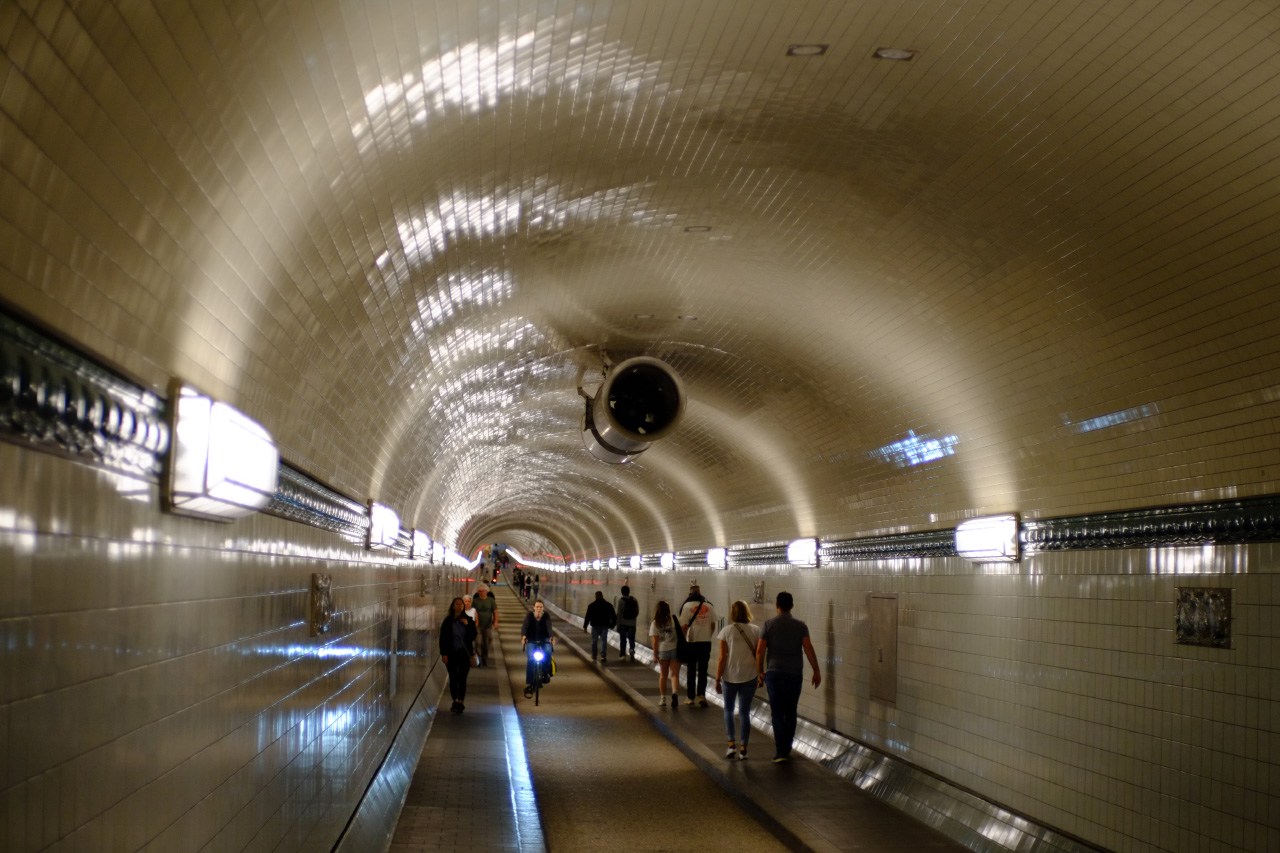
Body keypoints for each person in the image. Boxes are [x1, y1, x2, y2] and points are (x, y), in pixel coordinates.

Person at [755, 591, 821, 763]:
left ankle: (780, 751)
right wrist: (816, 670)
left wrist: (759, 672)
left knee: (776, 712)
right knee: (791, 711)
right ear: (792, 606)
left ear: (777, 605)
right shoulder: (801, 626)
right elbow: (808, 648)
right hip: (794, 674)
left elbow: (760, 649)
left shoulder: (768, 625)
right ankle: (788, 746)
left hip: (774, 673)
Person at [715, 600, 762, 760]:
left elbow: (722, 658)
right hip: (749, 676)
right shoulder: (756, 631)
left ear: (733, 613)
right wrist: (760, 673)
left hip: (729, 676)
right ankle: (743, 749)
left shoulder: (726, 631)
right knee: (744, 712)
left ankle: (731, 745)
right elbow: (758, 654)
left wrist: (717, 678)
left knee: (728, 709)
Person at [676, 583, 718, 707]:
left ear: (690, 593)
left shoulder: (686, 605)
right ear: (700, 593)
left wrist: (684, 640)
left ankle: (690, 697)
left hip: (691, 642)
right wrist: (707, 636)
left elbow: (683, 626)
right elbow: (713, 625)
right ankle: (702, 696)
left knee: (691, 669)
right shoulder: (709, 606)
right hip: (705, 643)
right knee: (703, 669)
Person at [439, 597, 478, 713]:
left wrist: (467, 625)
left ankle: (460, 701)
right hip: (451, 654)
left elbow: (473, 636)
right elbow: (443, 639)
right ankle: (454, 700)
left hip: (464, 654)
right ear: (453, 606)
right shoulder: (448, 621)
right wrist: (444, 654)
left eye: (461, 604)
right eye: (457, 604)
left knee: (462, 678)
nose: (460, 606)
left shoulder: (469, 620)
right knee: (453, 677)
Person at [648, 601, 681, 708]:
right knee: (674, 674)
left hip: (663, 650)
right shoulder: (674, 620)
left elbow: (655, 641)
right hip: (675, 648)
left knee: (663, 675)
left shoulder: (655, 623)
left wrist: (655, 655)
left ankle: (663, 698)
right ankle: (674, 693)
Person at [520, 600, 555, 698]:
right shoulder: (529, 616)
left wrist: (551, 637)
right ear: (533, 608)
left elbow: (549, 627)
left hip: (544, 639)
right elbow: (524, 627)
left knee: (548, 652)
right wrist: (523, 637)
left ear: (543, 608)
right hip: (531, 639)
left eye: (541, 607)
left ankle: (545, 672)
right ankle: (530, 683)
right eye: (537, 607)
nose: (539, 609)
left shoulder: (546, 616)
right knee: (531, 659)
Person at [583, 590, 617, 662]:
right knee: (603, 640)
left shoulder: (591, 606)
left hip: (595, 626)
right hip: (604, 626)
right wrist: (612, 625)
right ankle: (603, 655)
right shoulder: (608, 605)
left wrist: (585, 626)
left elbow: (587, 617)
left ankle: (594, 655)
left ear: (596, 597)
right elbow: (613, 616)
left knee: (594, 641)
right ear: (602, 596)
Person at [472, 584, 498, 666]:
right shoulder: (475, 601)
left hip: (487, 624)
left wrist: (495, 621)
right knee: (478, 642)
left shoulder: (491, 601)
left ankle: (484, 656)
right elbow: (473, 611)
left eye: (483, 591)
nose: (481, 593)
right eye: (480, 592)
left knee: (487, 641)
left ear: (486, 592)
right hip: (477, 625)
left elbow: (495, 612)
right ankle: (479, 658)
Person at [616, 585, 640, 660]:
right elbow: (637, 611)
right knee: (631, 638)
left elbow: (619, 614)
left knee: (623, 639)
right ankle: (632, 649)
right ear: (629, 591)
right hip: (632, 623)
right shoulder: (634, 600)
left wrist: (618, 625)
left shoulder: (621, 601)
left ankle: (623, 655)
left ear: (622, 592)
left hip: (623, 623)